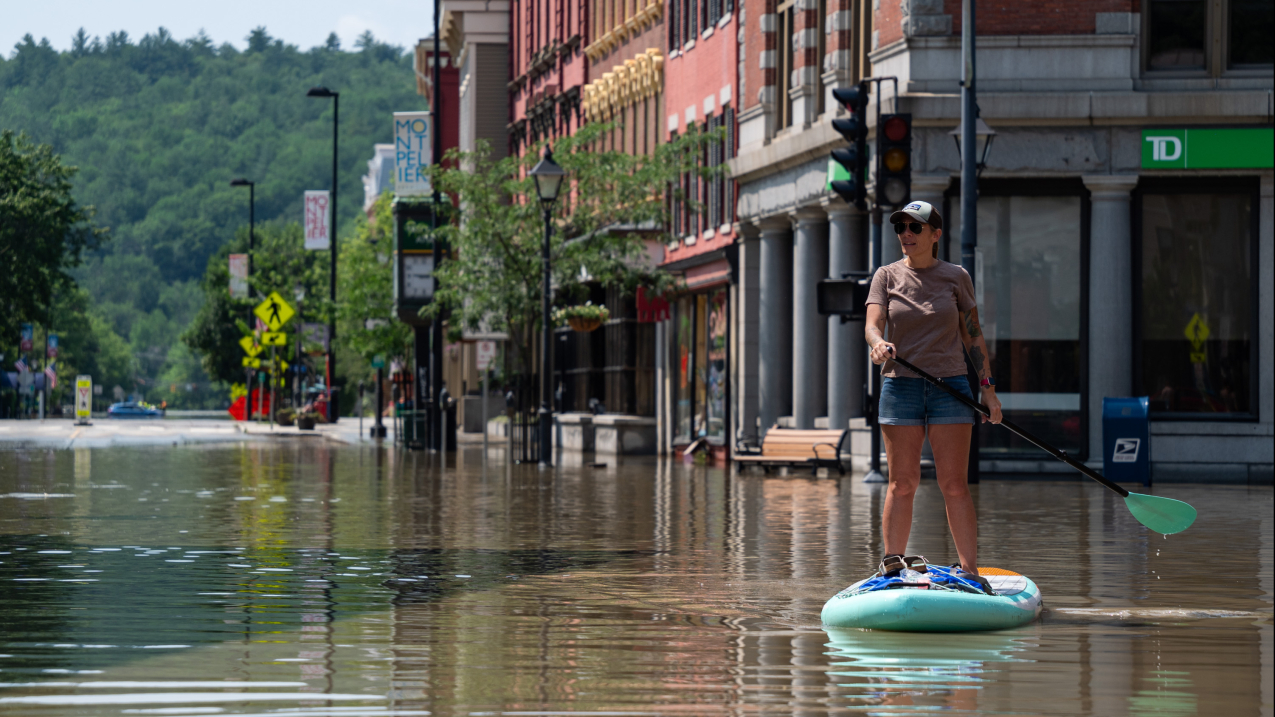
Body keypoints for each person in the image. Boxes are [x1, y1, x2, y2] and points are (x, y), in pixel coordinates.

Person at [864, 200, 1002, 591]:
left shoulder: (956, 277)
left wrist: (988, 391)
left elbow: (972, 336)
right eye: (901, 228)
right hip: (900, 385)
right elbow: (873, 325)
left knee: (954, 484)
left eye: (915, 228)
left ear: (935, 235)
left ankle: (970, 572)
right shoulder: (885, 276)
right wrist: (877, 343)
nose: (906, 234)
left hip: (952, 388)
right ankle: (892, 567)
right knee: (901, 483)